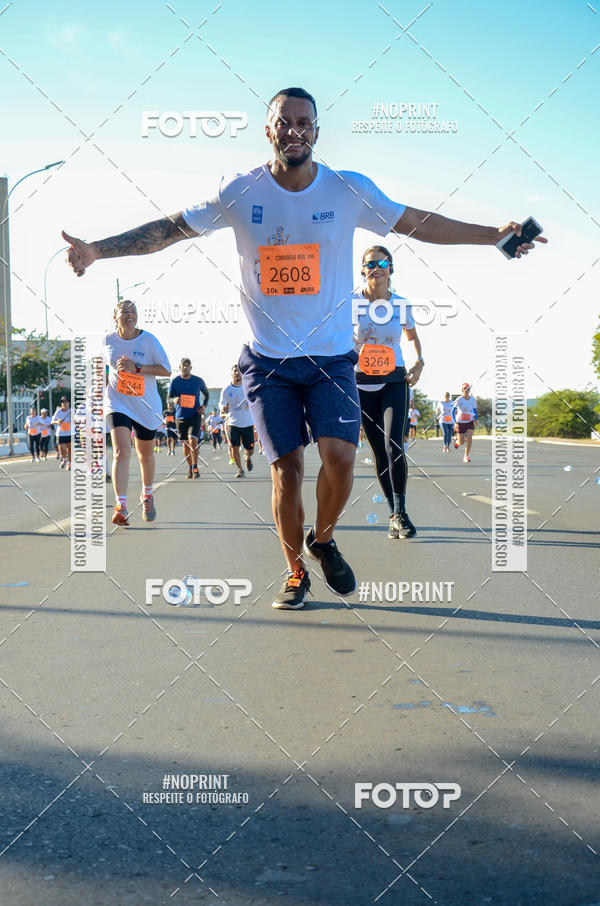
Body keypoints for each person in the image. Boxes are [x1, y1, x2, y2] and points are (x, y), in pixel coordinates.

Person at [63, 85, 546, 609]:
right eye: (284, 121)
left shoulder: (347, 190)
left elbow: (418, 223)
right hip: (267, 362)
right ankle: (295, 571)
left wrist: (492, 236)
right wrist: (97, 250)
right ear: (268, 130)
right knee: (286, 470)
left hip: (332, 358)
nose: (294, 130)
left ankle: (323, 538)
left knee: (340, 458)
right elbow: (169, 230)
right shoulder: (238, 191)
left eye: (304, 122)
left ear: (316, 130)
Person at [354, 246, 423, 540]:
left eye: (383, 262)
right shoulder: (349, 303)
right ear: (363, 270)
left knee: (394, 444)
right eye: (370, 263)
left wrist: (419, 362)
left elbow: (412, 336)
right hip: (359, 382)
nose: (376, 267)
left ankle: (400, 513)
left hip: (394, 379)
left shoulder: (401, 304)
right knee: (379, 451)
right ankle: (392, 515)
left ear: (391, 269)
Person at [104, 299, 171, 525]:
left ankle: (147, 493)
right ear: (116, 317)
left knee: (145, 455)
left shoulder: (149, 341)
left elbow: (166, 370)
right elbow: (102, 367)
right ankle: (120, 505)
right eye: (125, 311)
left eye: (133, 311)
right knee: (121, 451)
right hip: (118, 402)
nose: (129, 315)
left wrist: (138, 368)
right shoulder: (107, 341)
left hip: (145, 405)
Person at [168, 358, 209, 479]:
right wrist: (173, 400)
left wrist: (204, 406)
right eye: (183, 366)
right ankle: (190, 467)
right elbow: (168, 398)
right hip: (180, 417)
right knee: (186, 445)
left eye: (187, 365)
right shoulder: (175, 381)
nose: (185, 367)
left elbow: (206, 393)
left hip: (194, 415)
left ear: (191, 367)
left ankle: (195, 467)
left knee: (193, 441)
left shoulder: (198, 381)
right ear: (180, 367)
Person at [219, 364, 255, 478]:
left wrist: (250, 404)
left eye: (239, 371)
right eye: (235, 371)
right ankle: (240, 470)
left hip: (247, 423)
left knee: (249, 450)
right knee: (234, 447)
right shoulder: (226, 389)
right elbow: (221, 403)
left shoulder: (248, 387)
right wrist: (223, 408)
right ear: (231, 374)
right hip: (233, 423)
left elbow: (255, 400)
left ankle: (248, 458)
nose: (237, 373)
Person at [452, 383, 478, 462]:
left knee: (469, 438)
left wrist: (476, 419)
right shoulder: (459, 399)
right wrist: (455, 422)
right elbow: (453, 411)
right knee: (461, 442)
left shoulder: (472, 399)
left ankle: (466, 456)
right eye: (465, 389)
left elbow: (474, 410)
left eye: (468, 389)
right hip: (460, 422)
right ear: (462, 390)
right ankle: (457, 441)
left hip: (469, 421)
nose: (466, 390)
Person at [51, 397, 72, 470]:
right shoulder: (58, 411)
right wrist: (57, 422)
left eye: (65, 402)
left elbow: (76, 421)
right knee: (62, 449)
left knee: (70, 450)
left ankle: (69, 463)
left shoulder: (71, 411)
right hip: (60, 433)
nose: (64, 403)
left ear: (68, 403)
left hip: (70, 433)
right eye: (62, 402)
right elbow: (52, 421)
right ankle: (64, 459)